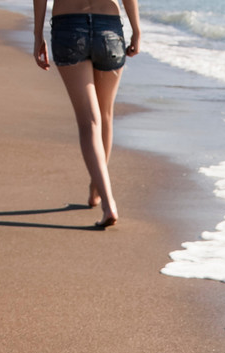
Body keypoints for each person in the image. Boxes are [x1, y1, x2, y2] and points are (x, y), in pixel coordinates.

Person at [33, 0, 141, 228]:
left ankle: (107, 201)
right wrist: (136, 31)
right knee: (105, 116)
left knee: (89, 121)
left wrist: (37, 36)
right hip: (108, 26)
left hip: (69, 26)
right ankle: (96, 189)